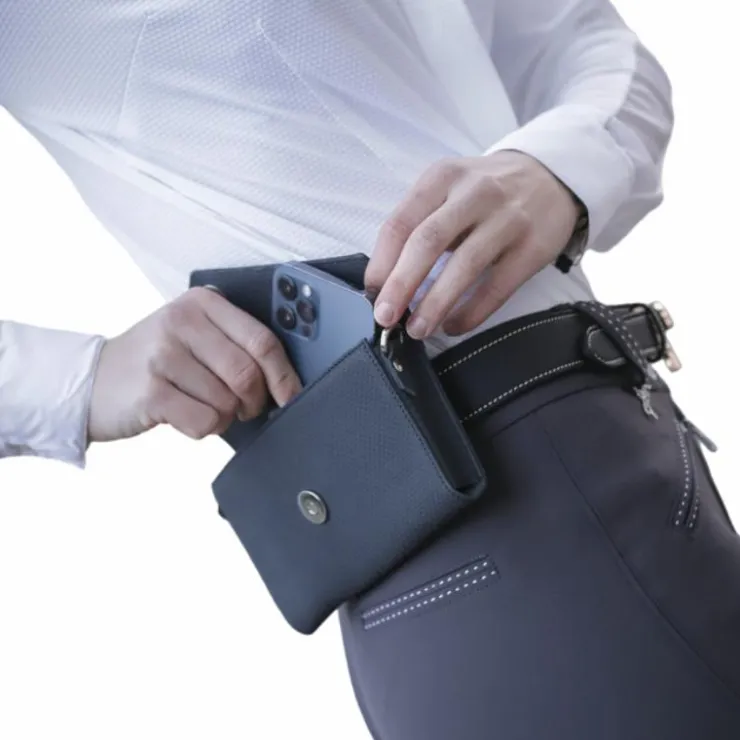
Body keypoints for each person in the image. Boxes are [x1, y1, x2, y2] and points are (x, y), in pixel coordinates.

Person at [2, 2, 739, 739]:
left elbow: (584, 37)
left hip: (615, 438)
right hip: (467, 526)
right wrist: (81, 380)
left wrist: (555, 167)